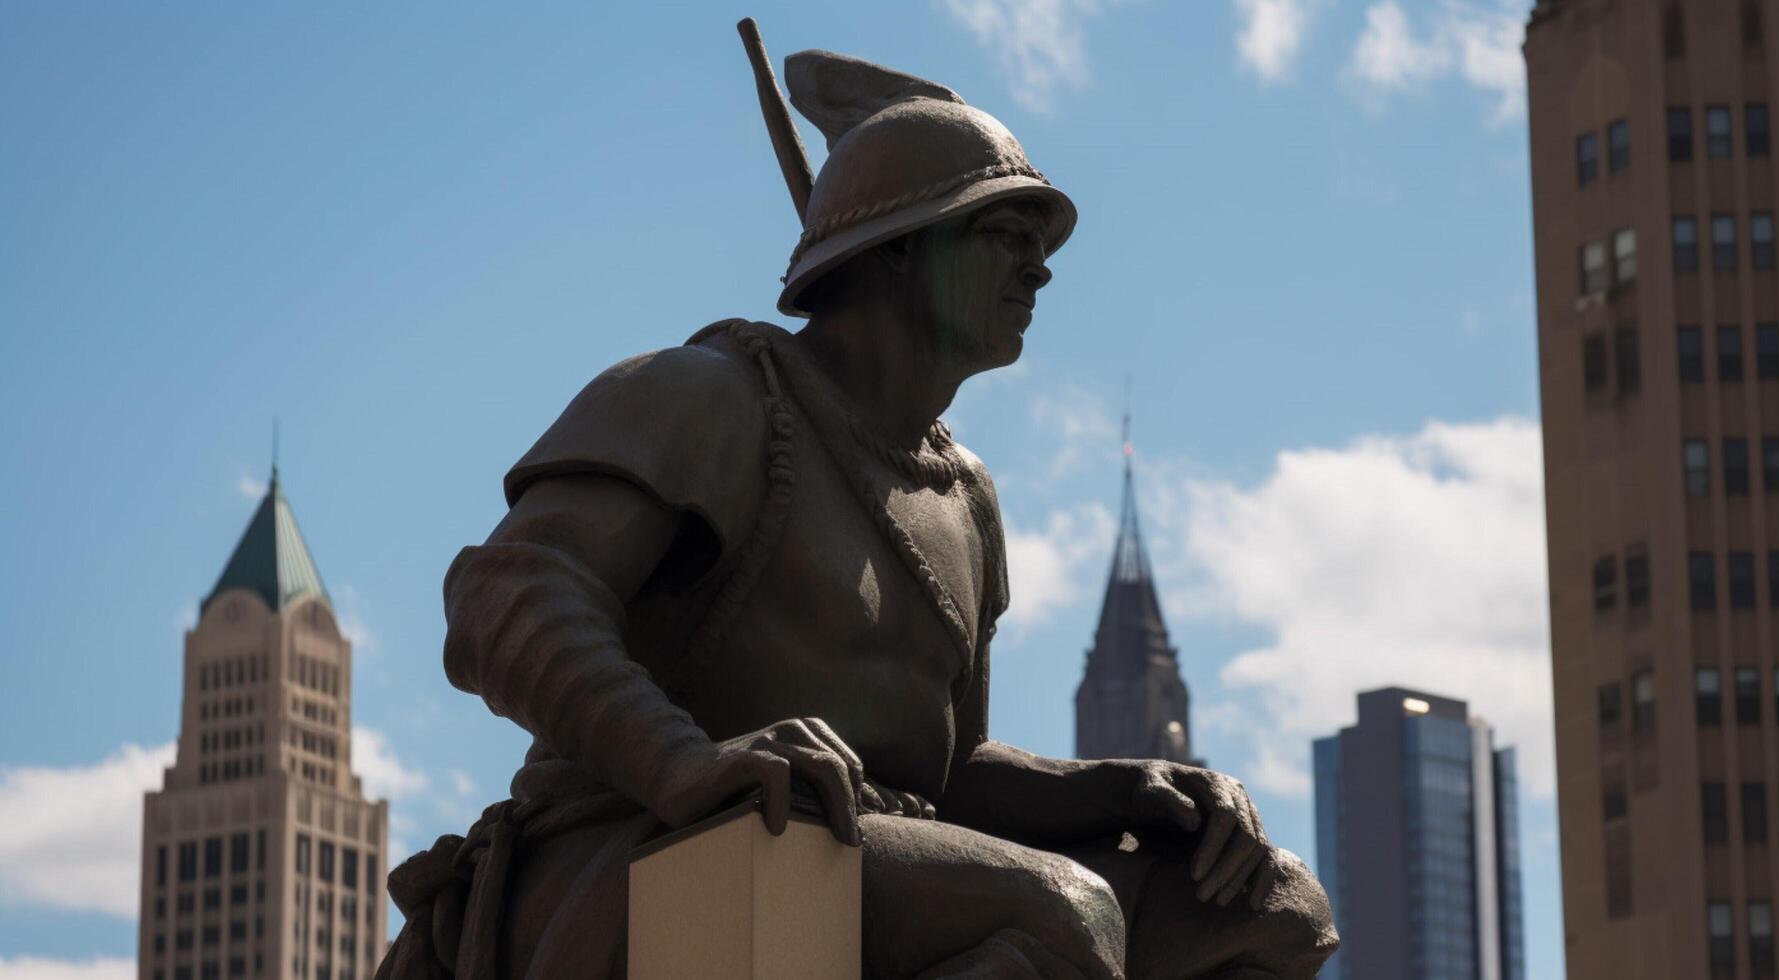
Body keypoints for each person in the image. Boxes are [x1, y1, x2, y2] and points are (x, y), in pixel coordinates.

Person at [379, 47, 1336, 980]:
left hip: (871, 849)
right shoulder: (711, 398)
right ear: (896, 248)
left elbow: (950, 771)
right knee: (1059, 911)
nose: (1039, 270)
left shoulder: (967, 499)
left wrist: (1120, 787)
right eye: (1002, 234)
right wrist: (681, 763)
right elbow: (509, 596)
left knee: (1272, 908)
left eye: (1038, 244)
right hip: (635, 855)